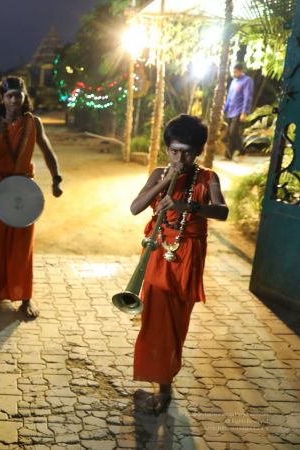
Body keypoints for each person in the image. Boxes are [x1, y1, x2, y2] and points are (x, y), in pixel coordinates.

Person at [129, 114, 228, 414]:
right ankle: (163, 387)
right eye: (174, 151)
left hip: (187, 257)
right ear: (167, 149)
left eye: (187, 152)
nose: (179, 158)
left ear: (198, 151)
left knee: (175, 323)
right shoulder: (159, 173)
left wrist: (187, 206)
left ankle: (164, 389)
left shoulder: (208, 178)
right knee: (154, 320)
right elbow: (135, 207)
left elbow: (222, 211)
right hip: (159, 251)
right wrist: (164, 182)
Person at [0, 77, 63, 319]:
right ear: (1, 98)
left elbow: (48, 151)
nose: (13, 100)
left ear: (24, 97)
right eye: (9, 96)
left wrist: (56, 178)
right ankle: (0, 290)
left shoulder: (33, 122)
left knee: (23, 245)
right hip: (1, 189)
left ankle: (25, 297)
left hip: (24, 189)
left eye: (17, 95)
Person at [223, 63, 254, 160]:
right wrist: (224, 110)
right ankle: (242, 151)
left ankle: (228, 155)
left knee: (232, 133)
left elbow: (247, 97)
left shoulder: (247, 80)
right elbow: (229, 97)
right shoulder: (233, 81)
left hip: (239, 111)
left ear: (240, 71)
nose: (233, 73)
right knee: (234, 134)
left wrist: (244, 112)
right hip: (230, 111)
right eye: (232, 72)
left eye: (235, 72)